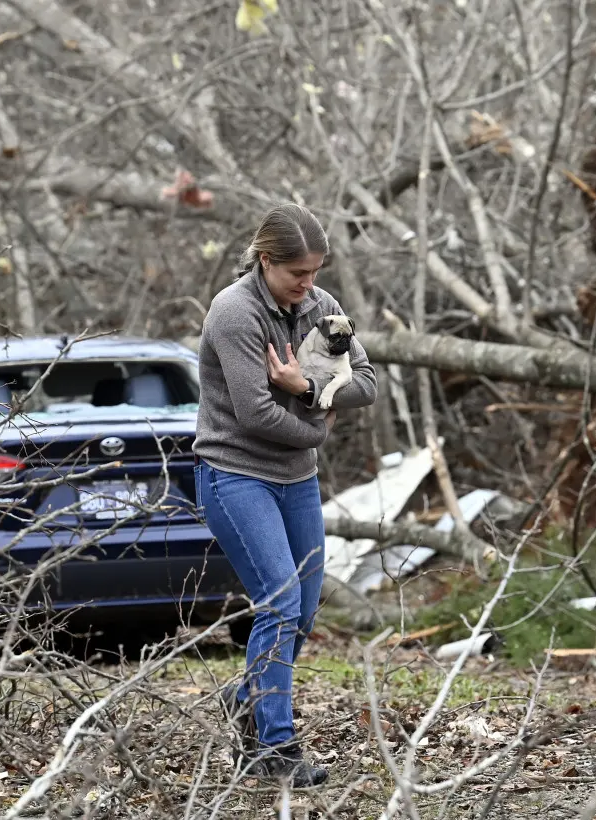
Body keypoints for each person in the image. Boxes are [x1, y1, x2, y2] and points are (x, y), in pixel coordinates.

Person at [192, 202, 378, 787]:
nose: (310, 284)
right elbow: (254, 414)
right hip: (235, 473)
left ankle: (245, 696)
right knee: (279, 604)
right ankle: (274, 748)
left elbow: (367, 385)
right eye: (298, 273)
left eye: (316, 272)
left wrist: (308, 386)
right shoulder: (233, 312)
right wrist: (318, 428)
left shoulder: (323, 310)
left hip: (296, 477)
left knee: (304, 608)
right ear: (266, 261)